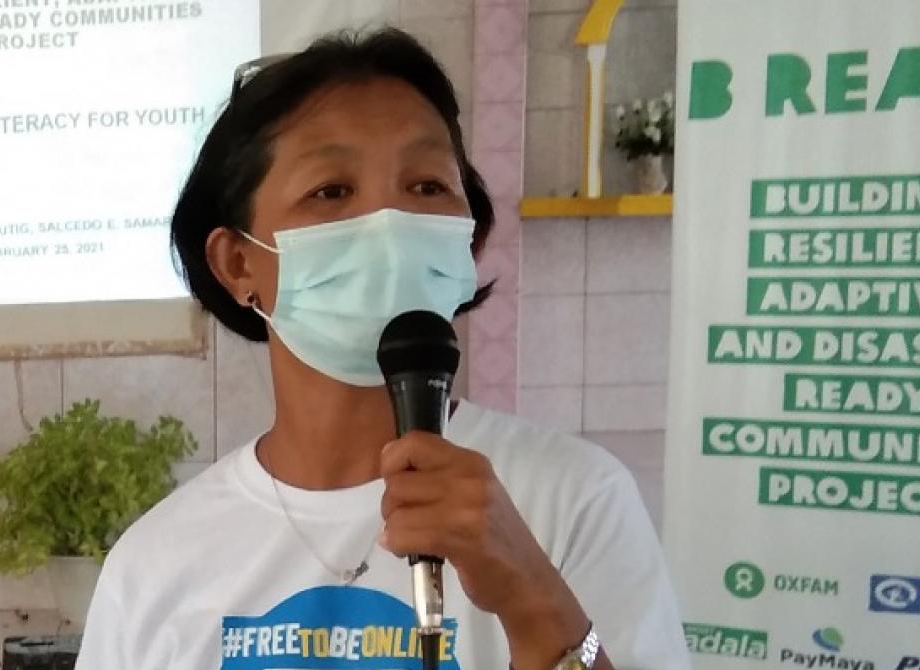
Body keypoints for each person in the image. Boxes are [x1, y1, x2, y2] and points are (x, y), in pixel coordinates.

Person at [73, 28, 689, 670]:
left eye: (426, 187)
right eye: (331, 191)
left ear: (466, 238)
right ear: (238, 263)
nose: (390, 224)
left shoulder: (572, 499)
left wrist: (535, 603)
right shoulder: (158, 563)